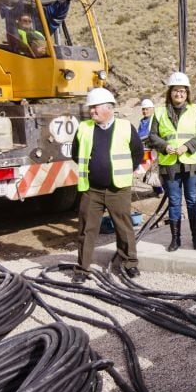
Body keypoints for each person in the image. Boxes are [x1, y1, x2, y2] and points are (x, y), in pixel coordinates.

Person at [71, 87, 143, 283]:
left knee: (124, 228)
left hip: (117, 188)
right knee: (86, 229)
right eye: (91, 108)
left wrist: (127, 169)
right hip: (91, 189)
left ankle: (129, 264)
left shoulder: (125, 127)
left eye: (95, 108)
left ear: (109, 108)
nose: (92, 111)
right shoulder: (84, 128)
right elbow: (76, 154)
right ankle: (82, 269)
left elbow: (138, 152)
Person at [148, 72, 196, 251]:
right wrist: (165, 147)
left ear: (187, 93)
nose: (179, 94)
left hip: (191, 164)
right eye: (176, 91)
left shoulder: (195, 111)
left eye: (182, 91)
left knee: (192, 200)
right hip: (170, 164)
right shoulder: (159, 112)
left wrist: (187, 146)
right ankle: (176, 239)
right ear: (170, 92)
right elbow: (152, 136)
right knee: (174, 201)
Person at [137, 98, 163, 197]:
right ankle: (156, 190)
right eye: (143, 109)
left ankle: (160, 191)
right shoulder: (142, 121)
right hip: (145, 149)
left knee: (155, 171)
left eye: (147, 109)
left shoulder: (154, 120)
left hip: (154, 149)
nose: (145, 111)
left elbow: (153, 134)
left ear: (152, 109)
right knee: (148, 171)